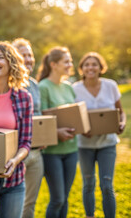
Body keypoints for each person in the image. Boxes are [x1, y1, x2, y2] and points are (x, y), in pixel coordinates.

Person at [0, 41, 33, 218]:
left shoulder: (24, 98)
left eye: (0, 58)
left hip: (14, 179)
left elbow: (26, 142)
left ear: (11, 62)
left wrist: (15, 161)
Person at [72, 52, 126, 218]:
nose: (91, 67)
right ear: (82, 68)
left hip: (107, 143)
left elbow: (120, 112)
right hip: (84, 144)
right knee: (88, 182)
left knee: (107, 184)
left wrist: (121, 123)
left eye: (94, 64)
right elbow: (73, 117)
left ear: (101, 67)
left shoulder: (110, 85)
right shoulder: (75, 89)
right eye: (87, 64)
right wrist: (82, 129)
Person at [37, 46, 78, 218]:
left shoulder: (68, 87)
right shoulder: (43, 87)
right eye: (66, 61)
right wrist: (58, 131)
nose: (70, 64)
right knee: (58, 199)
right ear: (53, 64)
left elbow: (74, 115)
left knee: (65, 198)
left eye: (70, 61)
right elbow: (41, 120)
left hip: (71, 149)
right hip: (51, 152)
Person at [12, 38, 43, 218]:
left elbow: (39, 115)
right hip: (16, 153)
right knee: (15, 202)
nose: (28, 59)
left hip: (37, 153)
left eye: (30, 55)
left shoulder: (34, 84)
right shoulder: (8, 85)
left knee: (30, 202)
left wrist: (45, 136)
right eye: (23, 55)